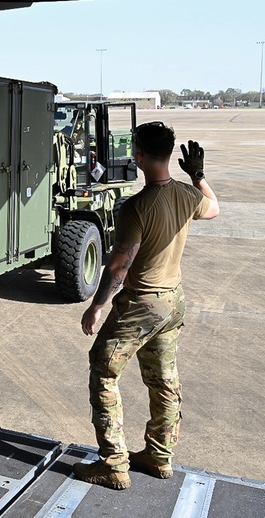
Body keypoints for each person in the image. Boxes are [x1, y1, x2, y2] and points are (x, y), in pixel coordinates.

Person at [72, 121, 219, 490]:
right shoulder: (187, 194)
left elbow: (120, 264)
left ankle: (113, 464)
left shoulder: (135, 207)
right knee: (163, 378)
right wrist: (198, 174)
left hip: (141, 305)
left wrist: (98, 306)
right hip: (172, 303)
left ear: (138, 156)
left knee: (103, 371)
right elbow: (214, 208)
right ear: (169, 155)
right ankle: (159, 455)